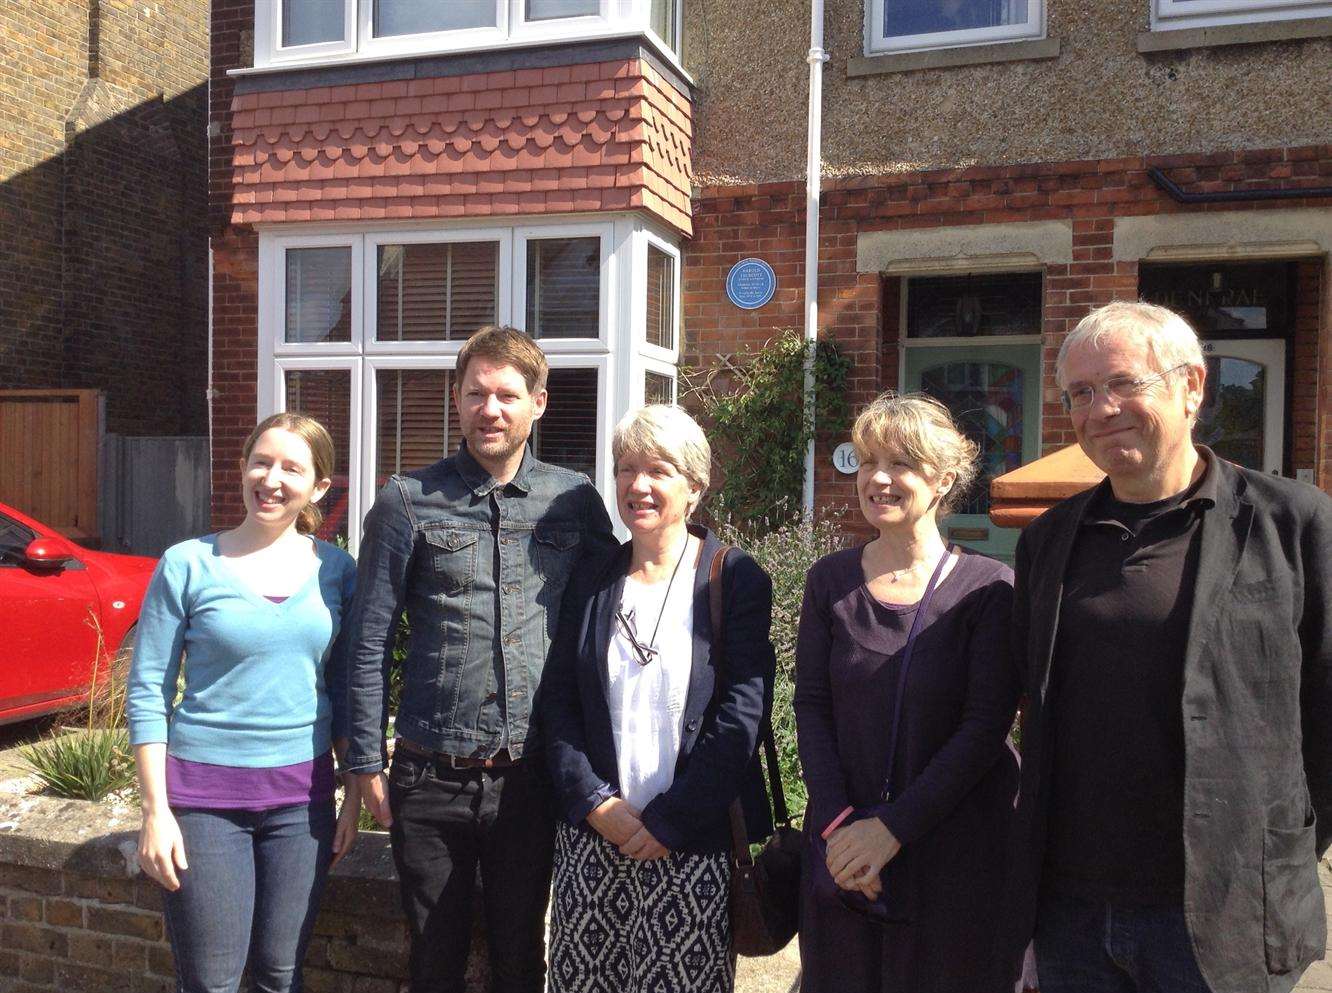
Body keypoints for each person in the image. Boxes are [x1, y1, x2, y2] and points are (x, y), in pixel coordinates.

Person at [1003, 301, 1332, 993]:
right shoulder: (1049, 540)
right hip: (1074, 913)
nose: (1102, 409)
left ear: (1192, 386)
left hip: (1226, 912)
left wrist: (1283, 853)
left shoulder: (1293, 524)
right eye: (1082, 393)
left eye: (1125, 383)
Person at [342, 325, 617, 993]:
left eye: (506, 395)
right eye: (476, 394)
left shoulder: (574, 500)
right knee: (435, 957)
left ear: (538, 403)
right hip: (430, 772)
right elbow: (368, 636)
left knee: (521, 953)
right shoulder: (408, 501)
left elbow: (613, 613)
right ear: (457, 400)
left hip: (530, 775)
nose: (490, 409)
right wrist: (363, 762)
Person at [541, 404, 776, 993]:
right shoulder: (592, 577)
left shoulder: (735, 577)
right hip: (594, 841)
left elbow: (741, 715)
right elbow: (559, 701)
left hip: (690, 844)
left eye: (659, 470)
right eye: (625, 469)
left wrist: (673, 820)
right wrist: (593, 801)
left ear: (694, 486)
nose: (638, 486)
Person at [127, 412, 361, 993]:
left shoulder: (337, 570)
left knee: (280, 976)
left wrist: (353, 795)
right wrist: (156, 812)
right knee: (212, 982)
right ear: (242, 467)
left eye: (291, 467)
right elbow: (148, 691)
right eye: (261, 461)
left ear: (319, 487)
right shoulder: (187, 563)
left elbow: (349, 691)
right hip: (203, 804)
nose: (272, 478)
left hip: (300, 805)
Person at [795, 391, 1019, 993]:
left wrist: (890, 830)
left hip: (950, 854)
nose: (879, 478)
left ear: (944, 478)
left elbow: (984, 728)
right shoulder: (830, 581)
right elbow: (811, 709)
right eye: (868, 462)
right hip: (844, 857)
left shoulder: (989, 590)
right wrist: (844, 831)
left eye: (901, 463)